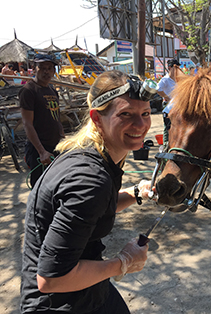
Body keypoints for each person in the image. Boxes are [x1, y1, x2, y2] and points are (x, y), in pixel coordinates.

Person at [20, 70, 152, 313]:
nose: (141, 124)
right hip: (60, 302)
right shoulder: (90, 179)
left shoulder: (93, 154)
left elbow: (96, 209)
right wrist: (122, 263)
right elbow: (51, 279)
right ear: (97, 118)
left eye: (145, 113)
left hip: (88, 288)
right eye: (126, 114)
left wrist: (136, 193)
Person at [19, 54, 65, 187]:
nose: (46, 71)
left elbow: (56, 117)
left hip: (55, 146)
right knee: (40, 188)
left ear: (53, 71)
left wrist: (62, 138)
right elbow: (27, 123)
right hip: (39, 149)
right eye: (42, 68)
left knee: (56, 185)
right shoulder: (29, 90)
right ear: (34, 69)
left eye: (50, 68)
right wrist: (41, 151)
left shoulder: (52, 91)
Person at [156, 59, 180, 145]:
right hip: (168, 104)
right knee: (167, 127)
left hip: (177, 104)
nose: (177, 70)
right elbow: (158, 89)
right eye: (175, 68)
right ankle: (165, 144)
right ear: (170, 68)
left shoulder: (178, 79)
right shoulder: (165, 79)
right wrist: (167, 97)